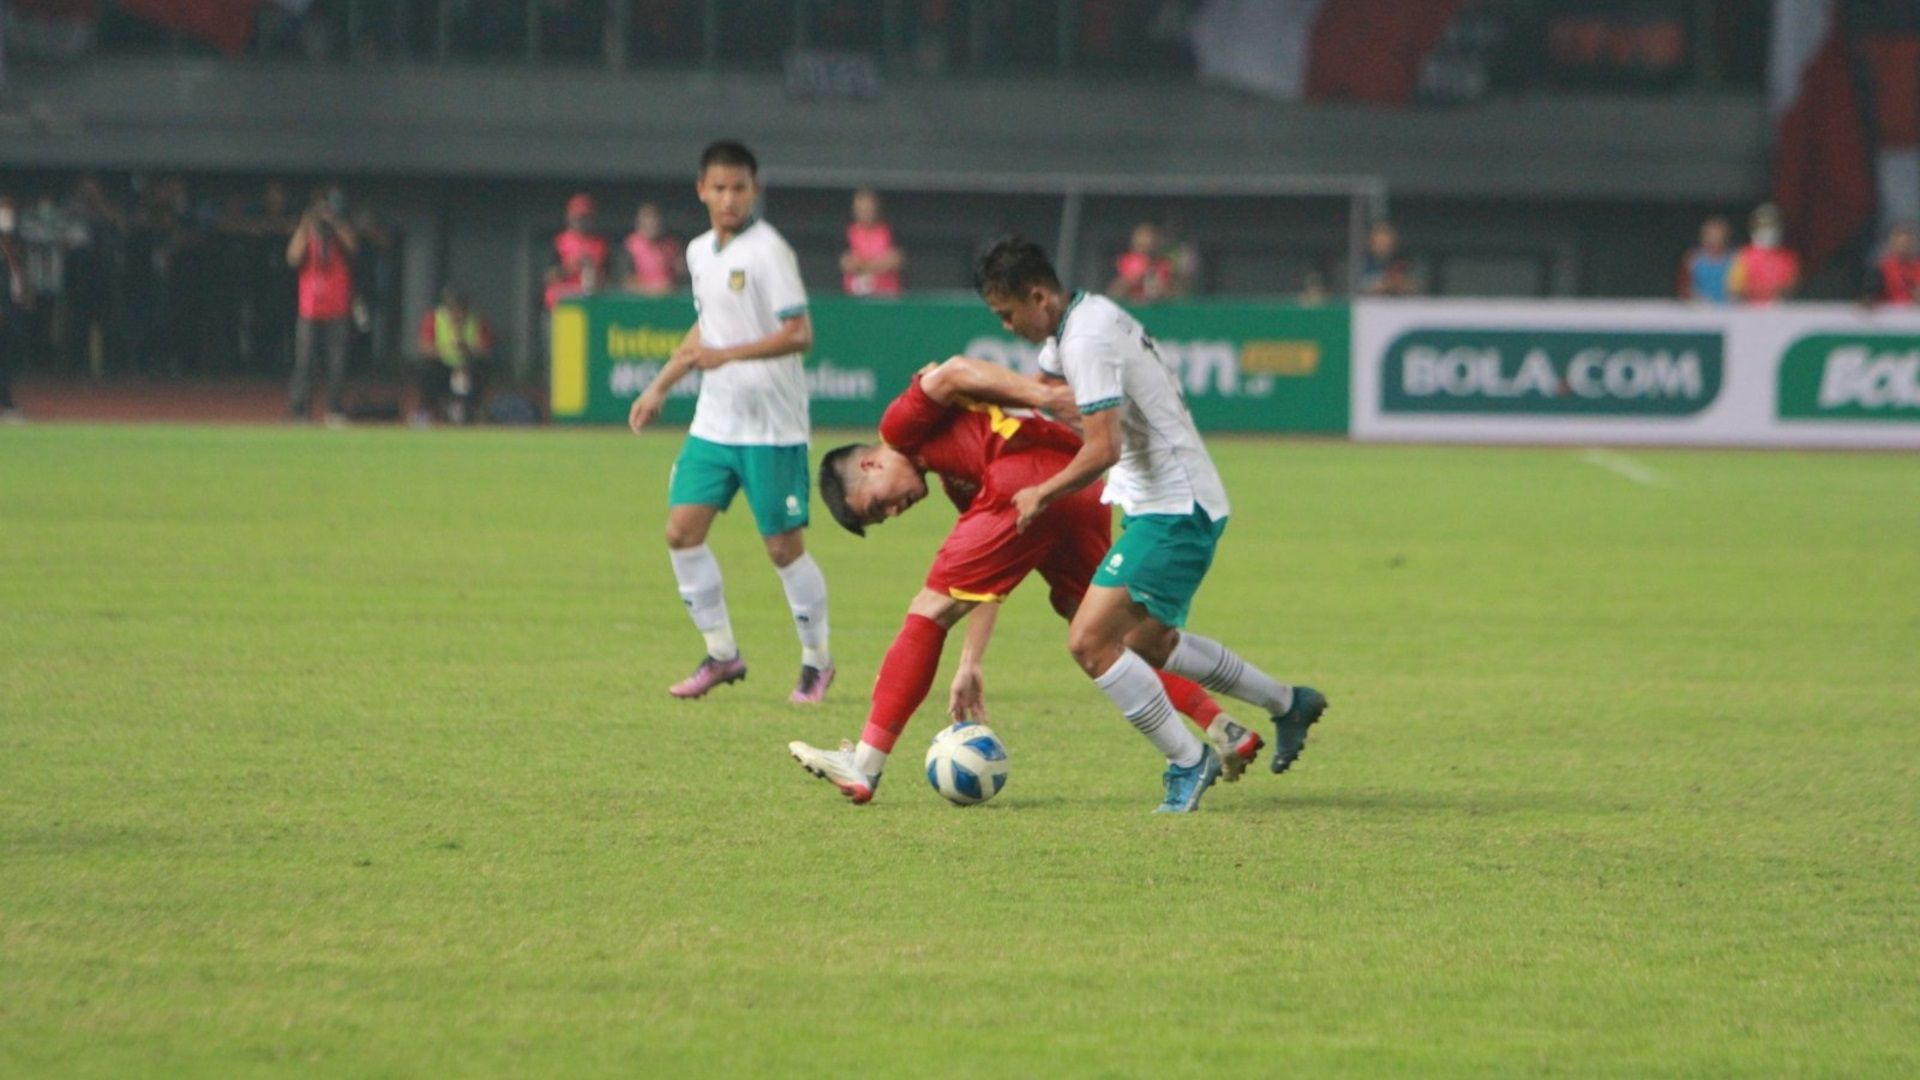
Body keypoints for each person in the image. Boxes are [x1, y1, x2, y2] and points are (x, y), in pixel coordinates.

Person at [787, 356, 1265, 804]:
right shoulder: (957, 476)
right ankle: (1220, 725)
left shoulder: (899, 428)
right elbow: (987, 585)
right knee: (1104, 635)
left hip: (1024, 482)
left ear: (870, 465)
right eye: (883, 518)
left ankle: (863, 764)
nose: (894, 511)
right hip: (1073, 490)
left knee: (928, 609)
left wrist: (1044, 395)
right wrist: (970, 662)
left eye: (878, 505)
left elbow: (949, 371)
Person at [976, 236, 1328, 813]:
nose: (1008, 325)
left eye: (1007, 314)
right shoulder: (1078, 320)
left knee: (1089, 641)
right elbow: (1044, 394)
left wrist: (1042, 490)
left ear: (1038, 296)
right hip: (1162, 503)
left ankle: (1189, 761)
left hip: (1175, 508)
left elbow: (1104, 447)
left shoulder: (1086, 338)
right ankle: (1289, 702)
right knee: (1148, 643)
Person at [628, 140, 834, 703]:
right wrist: (660, 385)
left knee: (782, 550)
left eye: (739, 188)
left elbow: (800, 334)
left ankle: (817, 662)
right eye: (718, 188)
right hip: (715, 422)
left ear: (753, 190)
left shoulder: (771, 252)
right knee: (681, 532)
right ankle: (722, 654)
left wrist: (729, 355)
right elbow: (706, 328)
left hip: (772, 427)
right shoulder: (698, 253)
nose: (728, 198)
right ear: (701, 190)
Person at [285, 184, 358, 424]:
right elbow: (293, 257)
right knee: (304, 362)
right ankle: (299, 411)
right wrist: (307, 226)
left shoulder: (340, 236)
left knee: (336, 363)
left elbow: (353, 245)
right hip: (309, 308)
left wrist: (335, 222)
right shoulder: (308, 237)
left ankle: (334, 409)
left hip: (336, 308)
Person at [413, 286, 493, 426]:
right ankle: (427, 410)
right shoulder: (434, 318)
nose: (457, 314)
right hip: (441, 366)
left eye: (461, 309)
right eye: (453, 309)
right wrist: (447, 350)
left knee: (478, 370)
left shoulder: (477, 321)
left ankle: (471, 410)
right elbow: (424, 347)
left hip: (467, 367)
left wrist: (468, 350)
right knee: (426, 370)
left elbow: (485, 349)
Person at [544, 192, 608, 312]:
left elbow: (611, 278)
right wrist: (571, 267)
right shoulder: (560, 241)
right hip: (562, 303)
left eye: (586, 217)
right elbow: (549, 277)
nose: (582, 221)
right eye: (579, 216)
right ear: (570, 217)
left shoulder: (601, 244)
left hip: (591, 303)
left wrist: (594, 270)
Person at [1729, 203, 1799, 306]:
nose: (1768, 229)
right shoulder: (1743, 256)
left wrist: (1774, 291)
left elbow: (1792, 286)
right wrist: (1759, 291)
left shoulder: (1788, 258)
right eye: (1763, 225)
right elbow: (1735, 289)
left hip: (1780, 311)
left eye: (1772, 225)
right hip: (1748, 311)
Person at [839, 187, 903, 297]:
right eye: (861, 210)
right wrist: (879, 263)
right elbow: (847, 264)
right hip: (855, 296)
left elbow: (895, 261)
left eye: (869, 209)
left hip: (886, 296)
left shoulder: (889, 231)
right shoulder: (847, 232)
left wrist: (863, 265)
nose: (866, 213)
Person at [0, 195, 31, 423]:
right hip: (4, 310)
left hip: (10, 309)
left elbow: (16, 280)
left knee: (7, 357)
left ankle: (6, 401)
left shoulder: (12, 259)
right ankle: (6, 404)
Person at [621, 202, 685, 296]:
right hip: (641, 303)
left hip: (669, 301)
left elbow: (681, 277)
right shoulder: (630, 246)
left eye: (655, 218)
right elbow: (625, 282)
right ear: (639, 222)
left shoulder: (671, 246)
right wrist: (654, 290)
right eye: (647, 218)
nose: (652, 222)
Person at [1108, 222, 1173, 304]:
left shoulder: (1164, 264)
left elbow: (1173, 294)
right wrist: (1132, 280)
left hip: (1157, 310)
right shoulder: (1124, 261)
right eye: (1141, 238)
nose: (1147, 242)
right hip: (1130, 309)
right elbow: (1113, 292)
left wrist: (1161, 291)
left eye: (1150, 238)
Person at [1679, 215, 1735, 305]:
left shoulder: (1734, 260)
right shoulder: (1693, 259)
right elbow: (1684, 287)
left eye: (1718, 235)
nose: (1714, 239)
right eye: (1710, 235)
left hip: (1729, 308)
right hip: (1699, 308)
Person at [1863, 221, 1920, 305]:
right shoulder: (1881, 269)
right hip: (1889, 315)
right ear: (1892, 244)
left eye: (1907, 243)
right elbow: (1870, 295)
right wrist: (1869, 299)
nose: (1903, 247)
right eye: (1900, 243)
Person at [1359, 219, 1421, 296]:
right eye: (1379, 240)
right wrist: (1382, 285)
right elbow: (1352, 287)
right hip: (1366, 306)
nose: (1383, 244)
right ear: (1370, 241)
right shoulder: (1357, 262)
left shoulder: (1405, 262)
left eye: (1386, 240)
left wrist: (1401, 284)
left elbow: (1418, 286)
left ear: (1394, 241)